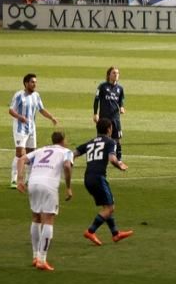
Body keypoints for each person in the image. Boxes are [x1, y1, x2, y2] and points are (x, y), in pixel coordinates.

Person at [15, 131, 73, 271]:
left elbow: (21, 159)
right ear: (63, 140)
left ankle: (35, 256)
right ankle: (42, 259)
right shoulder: (67, 151)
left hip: (33, 183)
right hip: (49, 185)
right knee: (48, 219)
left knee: (36, 217)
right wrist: (69, 187)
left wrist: (20, 179)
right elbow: (66, 166)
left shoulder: (41, 149)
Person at [77, 119, 133, 245]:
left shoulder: (90, 142)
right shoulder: (110, 141)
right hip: (98, 178)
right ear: (109, 129)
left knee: (106, 206)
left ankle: (115, 234)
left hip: (87, 178)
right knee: (110, 207)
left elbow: (74, 153)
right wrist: (120, 165)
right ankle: (91, 231)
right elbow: (112, 159)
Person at [8, 73, 58, 188]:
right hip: (20, 129)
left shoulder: (36, 95)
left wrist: (51, 117)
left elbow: (41, 109)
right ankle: (14, 180)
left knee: (31, 154)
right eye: (32, 82)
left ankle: (29, 179)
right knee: (20, 153)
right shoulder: (19, 95)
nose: (35, 84)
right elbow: (11, 110)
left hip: (31, 129)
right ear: (26, 83)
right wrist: (20, 117)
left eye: (35, 82)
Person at [93, 66, 125, 160]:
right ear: (109, 75)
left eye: (117, 73)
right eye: (114, 73)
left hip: (115, 118)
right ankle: (101, 157)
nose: (116, 75)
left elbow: (121, 99)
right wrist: (95, 113)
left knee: (117, 139)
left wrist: (122, 107)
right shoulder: (102, 86)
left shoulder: (120, 88)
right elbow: (96, 100)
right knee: (102, 138)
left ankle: (118, 158)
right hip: (104, 118)